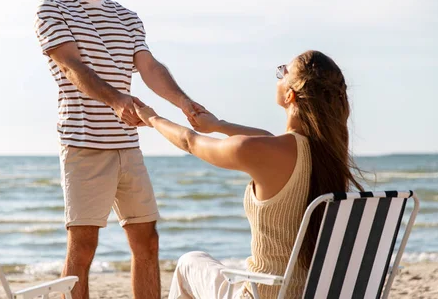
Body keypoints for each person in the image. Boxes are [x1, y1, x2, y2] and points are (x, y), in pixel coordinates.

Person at [34, 0, 204, 299]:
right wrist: (117, 101)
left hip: (128, 146)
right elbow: (73, 68)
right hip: (84, 145)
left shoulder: (128, 18)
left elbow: (150, 68)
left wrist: (184, 101)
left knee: (148, 242)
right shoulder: (53, 8)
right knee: (83, 247)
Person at [134, 50, 364, 299]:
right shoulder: (330, 156)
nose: (278, 75)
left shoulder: (263, 151)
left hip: (264, 293)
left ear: (290, 95)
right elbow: (265, 138)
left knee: (190, 262)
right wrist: (218, 125)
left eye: (282, 72)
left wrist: (152, 119)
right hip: (313, 293)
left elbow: (191, 142)